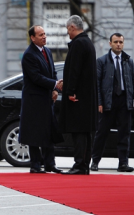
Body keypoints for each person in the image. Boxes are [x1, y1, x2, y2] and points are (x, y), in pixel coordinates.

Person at [90, 33, 134, 172]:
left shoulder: (128, 61)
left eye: (121, 42)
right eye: (116, 42)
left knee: (124, 134)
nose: (118, 44)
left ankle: (123, 163)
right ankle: (94, 161)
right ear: (110, 43)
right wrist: (99, 102)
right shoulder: (102, 61)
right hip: (108, 101)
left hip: (124, 101)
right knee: (102, 133)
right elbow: (97, 84)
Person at [19, 25, 63, 174]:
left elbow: (52, 72)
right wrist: (54, 84)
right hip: (34, 100)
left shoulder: (47, 51)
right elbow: (36, 77)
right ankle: (36, 165)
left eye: (44, 34)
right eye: (40, 35)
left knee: (48, 132)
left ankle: (50, 164)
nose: (44, 37)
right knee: (35, 133)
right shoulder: (29, 54)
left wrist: (55, 89)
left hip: (47, 100)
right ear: (32, 38)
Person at [59, 15, 98, 175]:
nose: (68, 33)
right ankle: (84, 164)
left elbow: (75, 70)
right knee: (86, 132)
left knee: (79, 132)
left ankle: (79, 165)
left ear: (72, 28)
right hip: (87, 97)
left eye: (68, 29)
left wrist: (70, 91)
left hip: (78, 97)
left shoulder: (78, 44)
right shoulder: (88, 42)